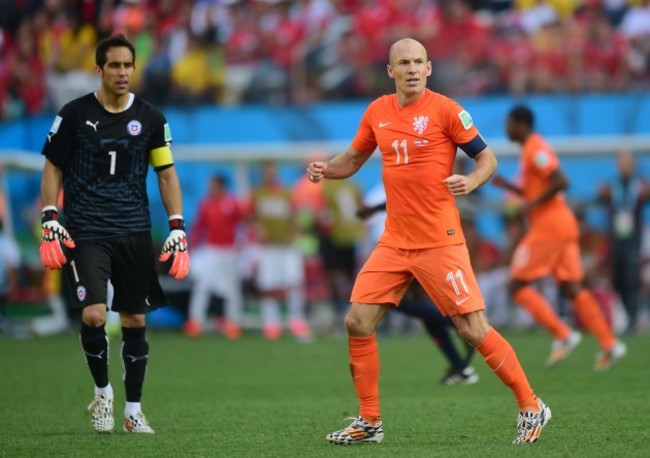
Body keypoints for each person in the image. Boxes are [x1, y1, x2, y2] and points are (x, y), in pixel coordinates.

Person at [306, 38, 550, 446]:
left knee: (472, 329)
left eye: (419, 61)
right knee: (357, 321)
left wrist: (471, 180)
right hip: (395, 240)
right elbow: (352, 159)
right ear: (391, 71)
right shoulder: (377, 112)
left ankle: (530, 404)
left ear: (429, 68)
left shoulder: (447, 110)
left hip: (440, 240)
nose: (413, 68)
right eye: (404, 62)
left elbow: (486, 159)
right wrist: (324, 170)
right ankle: (370, 421)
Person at [39, 34, 190, 434]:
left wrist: (177, 225)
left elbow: (166, 172)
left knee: (135, 318)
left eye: (128, 65)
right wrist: (50, 215)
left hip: (134, 229)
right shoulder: (73, 115)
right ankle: (103, 394)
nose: (122, 72)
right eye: (115, 66)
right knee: (92, 313)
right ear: (99, 70)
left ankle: (134, 409)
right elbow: (53, 166)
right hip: (85, 229)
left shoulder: (152, 119)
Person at [493, 105, 626, 371]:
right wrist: (510, 187)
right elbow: (540, 187)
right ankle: (610, 343)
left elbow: (560, 180)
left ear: (520, 124)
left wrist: (529, 207)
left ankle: (563, 333)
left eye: (508, 124)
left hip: (549, 227)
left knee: (516, 285)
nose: (506, 129)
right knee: (570, 287)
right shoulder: (529, 150)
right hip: (560, 226)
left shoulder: (535, 148)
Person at [356, 185, 478, 385]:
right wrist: (375, 210)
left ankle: (463, 326)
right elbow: (405, 198)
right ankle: (461, 367)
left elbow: (411, 199)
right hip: (407, 245)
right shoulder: (402, 174)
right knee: (424, 313)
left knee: (397, 301)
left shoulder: (422, 170)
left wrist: (374, 210)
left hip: (414, 246)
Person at [248, 161, 311, 341]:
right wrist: (258, 230)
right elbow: (250, 219)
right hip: (267, 247)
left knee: (294, 282)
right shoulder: (257, 194)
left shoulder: (286, 193)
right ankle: (271, 323)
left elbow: (297, 215)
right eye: (266, 170)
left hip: (287, 246)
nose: (269, 173)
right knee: (267, 285)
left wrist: (294, 232)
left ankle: (297, 320)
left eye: (271, 170)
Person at [185, 175, 244, 338]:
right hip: (211, 250)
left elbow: (243, 224)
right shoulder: (206, 204)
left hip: (230, 251)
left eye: (214, 185)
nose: (211, 188)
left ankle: (233, 322)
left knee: (232, 288)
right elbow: (199, 227)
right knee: (203, 285)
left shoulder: (232, 203)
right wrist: (191, 246)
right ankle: (196, 321)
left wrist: (244, 243)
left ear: (222, 186)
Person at [597, 150, 650, 334]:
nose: (624, 166)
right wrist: (602, 193)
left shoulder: (639, 185)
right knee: (617, 278)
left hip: (632, 239)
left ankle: (633, 320)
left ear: (633, 164)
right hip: (616, 239)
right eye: (622, 163)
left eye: (628, 162)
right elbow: (600, 198)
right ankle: (626, 317)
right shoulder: (613, 185)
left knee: (631, 278)